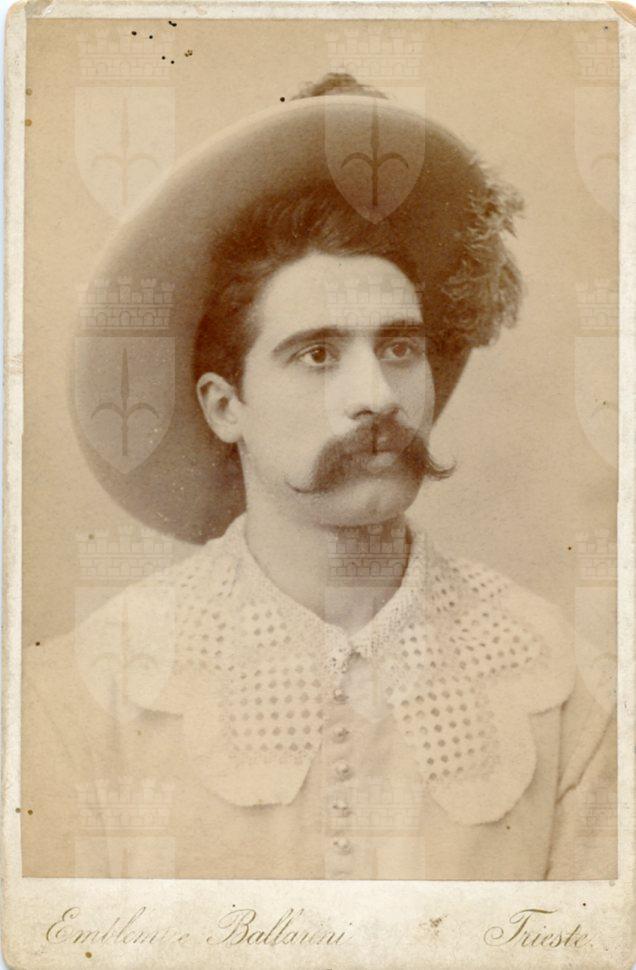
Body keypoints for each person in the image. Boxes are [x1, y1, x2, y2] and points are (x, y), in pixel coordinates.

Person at [22, 74, 616, 880]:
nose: (376, 396)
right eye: (317, 354)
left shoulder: (564, 690)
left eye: (399, 348)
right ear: (225, 405)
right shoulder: (86, 697)